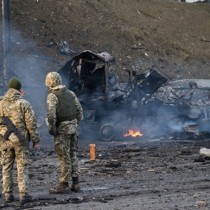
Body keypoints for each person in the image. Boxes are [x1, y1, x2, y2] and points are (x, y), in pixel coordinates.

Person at [0, 78, 40, 204]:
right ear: (19, 89)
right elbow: (31, 124)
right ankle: (24, 195)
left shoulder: (0, 103)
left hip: (4, 140)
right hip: (20, 140)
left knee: (6, 167)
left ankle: (7, 195)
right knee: (22, 167)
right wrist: (35, 140)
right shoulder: (24, 103)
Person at [45, 72, 83, 194]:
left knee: (64, 156)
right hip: (73, 128)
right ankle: (76, 183)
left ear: (50, 82)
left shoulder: (52, 96)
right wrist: (75, 124)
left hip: (62, 130)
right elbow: (79, 111)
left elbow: (51, 116)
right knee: (73, 154)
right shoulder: (71, 94)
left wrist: (52, 130)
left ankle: (64, 184)